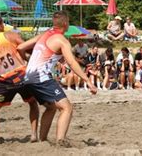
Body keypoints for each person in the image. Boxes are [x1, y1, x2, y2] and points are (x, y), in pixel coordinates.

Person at [18, 11, 97, 143]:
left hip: (28, 77)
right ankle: (61, 140)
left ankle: (42, 140)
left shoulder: (44, 34)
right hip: (40, 77)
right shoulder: (62, 40)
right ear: (66, 24)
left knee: (51, 107)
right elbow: (72, 62)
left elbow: (20, 47)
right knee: (67, 108)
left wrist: (29, 59)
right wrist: (87, 80)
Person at [0, 14, 39, 144]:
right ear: (1, 25)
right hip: (22, 76)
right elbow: (26, 46)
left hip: (6, 80)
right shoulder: (10, 35)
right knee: (32, 103)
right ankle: (34, 135)